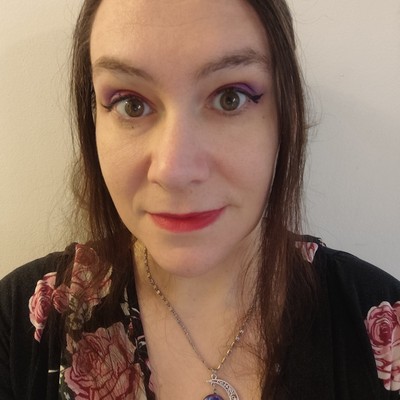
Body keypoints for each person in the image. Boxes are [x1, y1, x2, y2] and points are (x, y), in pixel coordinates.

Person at [0, 0, 399, 399]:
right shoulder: (16, 324)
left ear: (286, 113)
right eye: (131, 104)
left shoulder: (382, 326)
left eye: (230, 98)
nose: (174, 171)